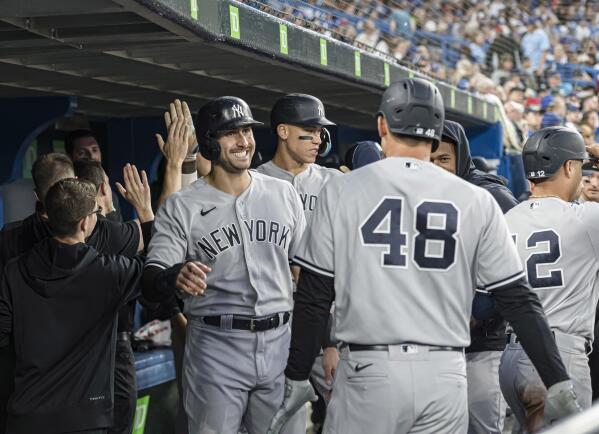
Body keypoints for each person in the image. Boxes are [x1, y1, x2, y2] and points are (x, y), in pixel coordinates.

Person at [267, 78, 580, 434]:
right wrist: (556, 379)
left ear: (383, 125)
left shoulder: (342, 190)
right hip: (445, 373)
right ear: (436, 132)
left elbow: (313, 296)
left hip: (370, 369)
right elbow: (519, 300)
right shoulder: (474, 199)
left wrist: (296, 374)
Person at [142, 96, 307, 434]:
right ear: (208, 143)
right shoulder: (182, 206)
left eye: (247, 131)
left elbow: (308, 269)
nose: (244, 141)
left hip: (281, 341)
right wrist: (174, 275)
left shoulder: (284, 193)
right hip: (217, 346)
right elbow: (150, 280)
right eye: (231, 133)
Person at [0, 177, 151, 434]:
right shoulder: (110, 272)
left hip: (26, 418)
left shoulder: (13, 271)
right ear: (85, 223)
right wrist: (145, 212)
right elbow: (155, 271)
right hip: (85, 421)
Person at [500, 127, 599, 433]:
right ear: (570, 167)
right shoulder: (586, 217)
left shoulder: (506, 219)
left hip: (511, 356)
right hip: (558, 358)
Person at [255, 94, 340, 431]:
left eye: (320, 132)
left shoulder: (334, 183)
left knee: (347, 410)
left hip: (324, 314)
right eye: (309, 131)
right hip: (272, 315)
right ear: (283, 131)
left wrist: (330, 339)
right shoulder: (254, 181)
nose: (318, 139)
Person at [430, 120, 518, 434]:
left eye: (444, 159)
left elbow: (517, 269)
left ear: (461, 156)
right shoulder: (417, 195)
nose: (437, 167)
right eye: (430, 160)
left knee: (482, 429)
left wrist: (481, 314)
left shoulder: (490, 195)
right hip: (434, 345)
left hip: (483, 345)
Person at [65, 130, 123, 222]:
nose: (91, 156)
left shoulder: (111, 194)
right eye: (82, 153)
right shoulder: (65, 195)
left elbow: (118, 232)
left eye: (94, 150)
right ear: (70, 157)